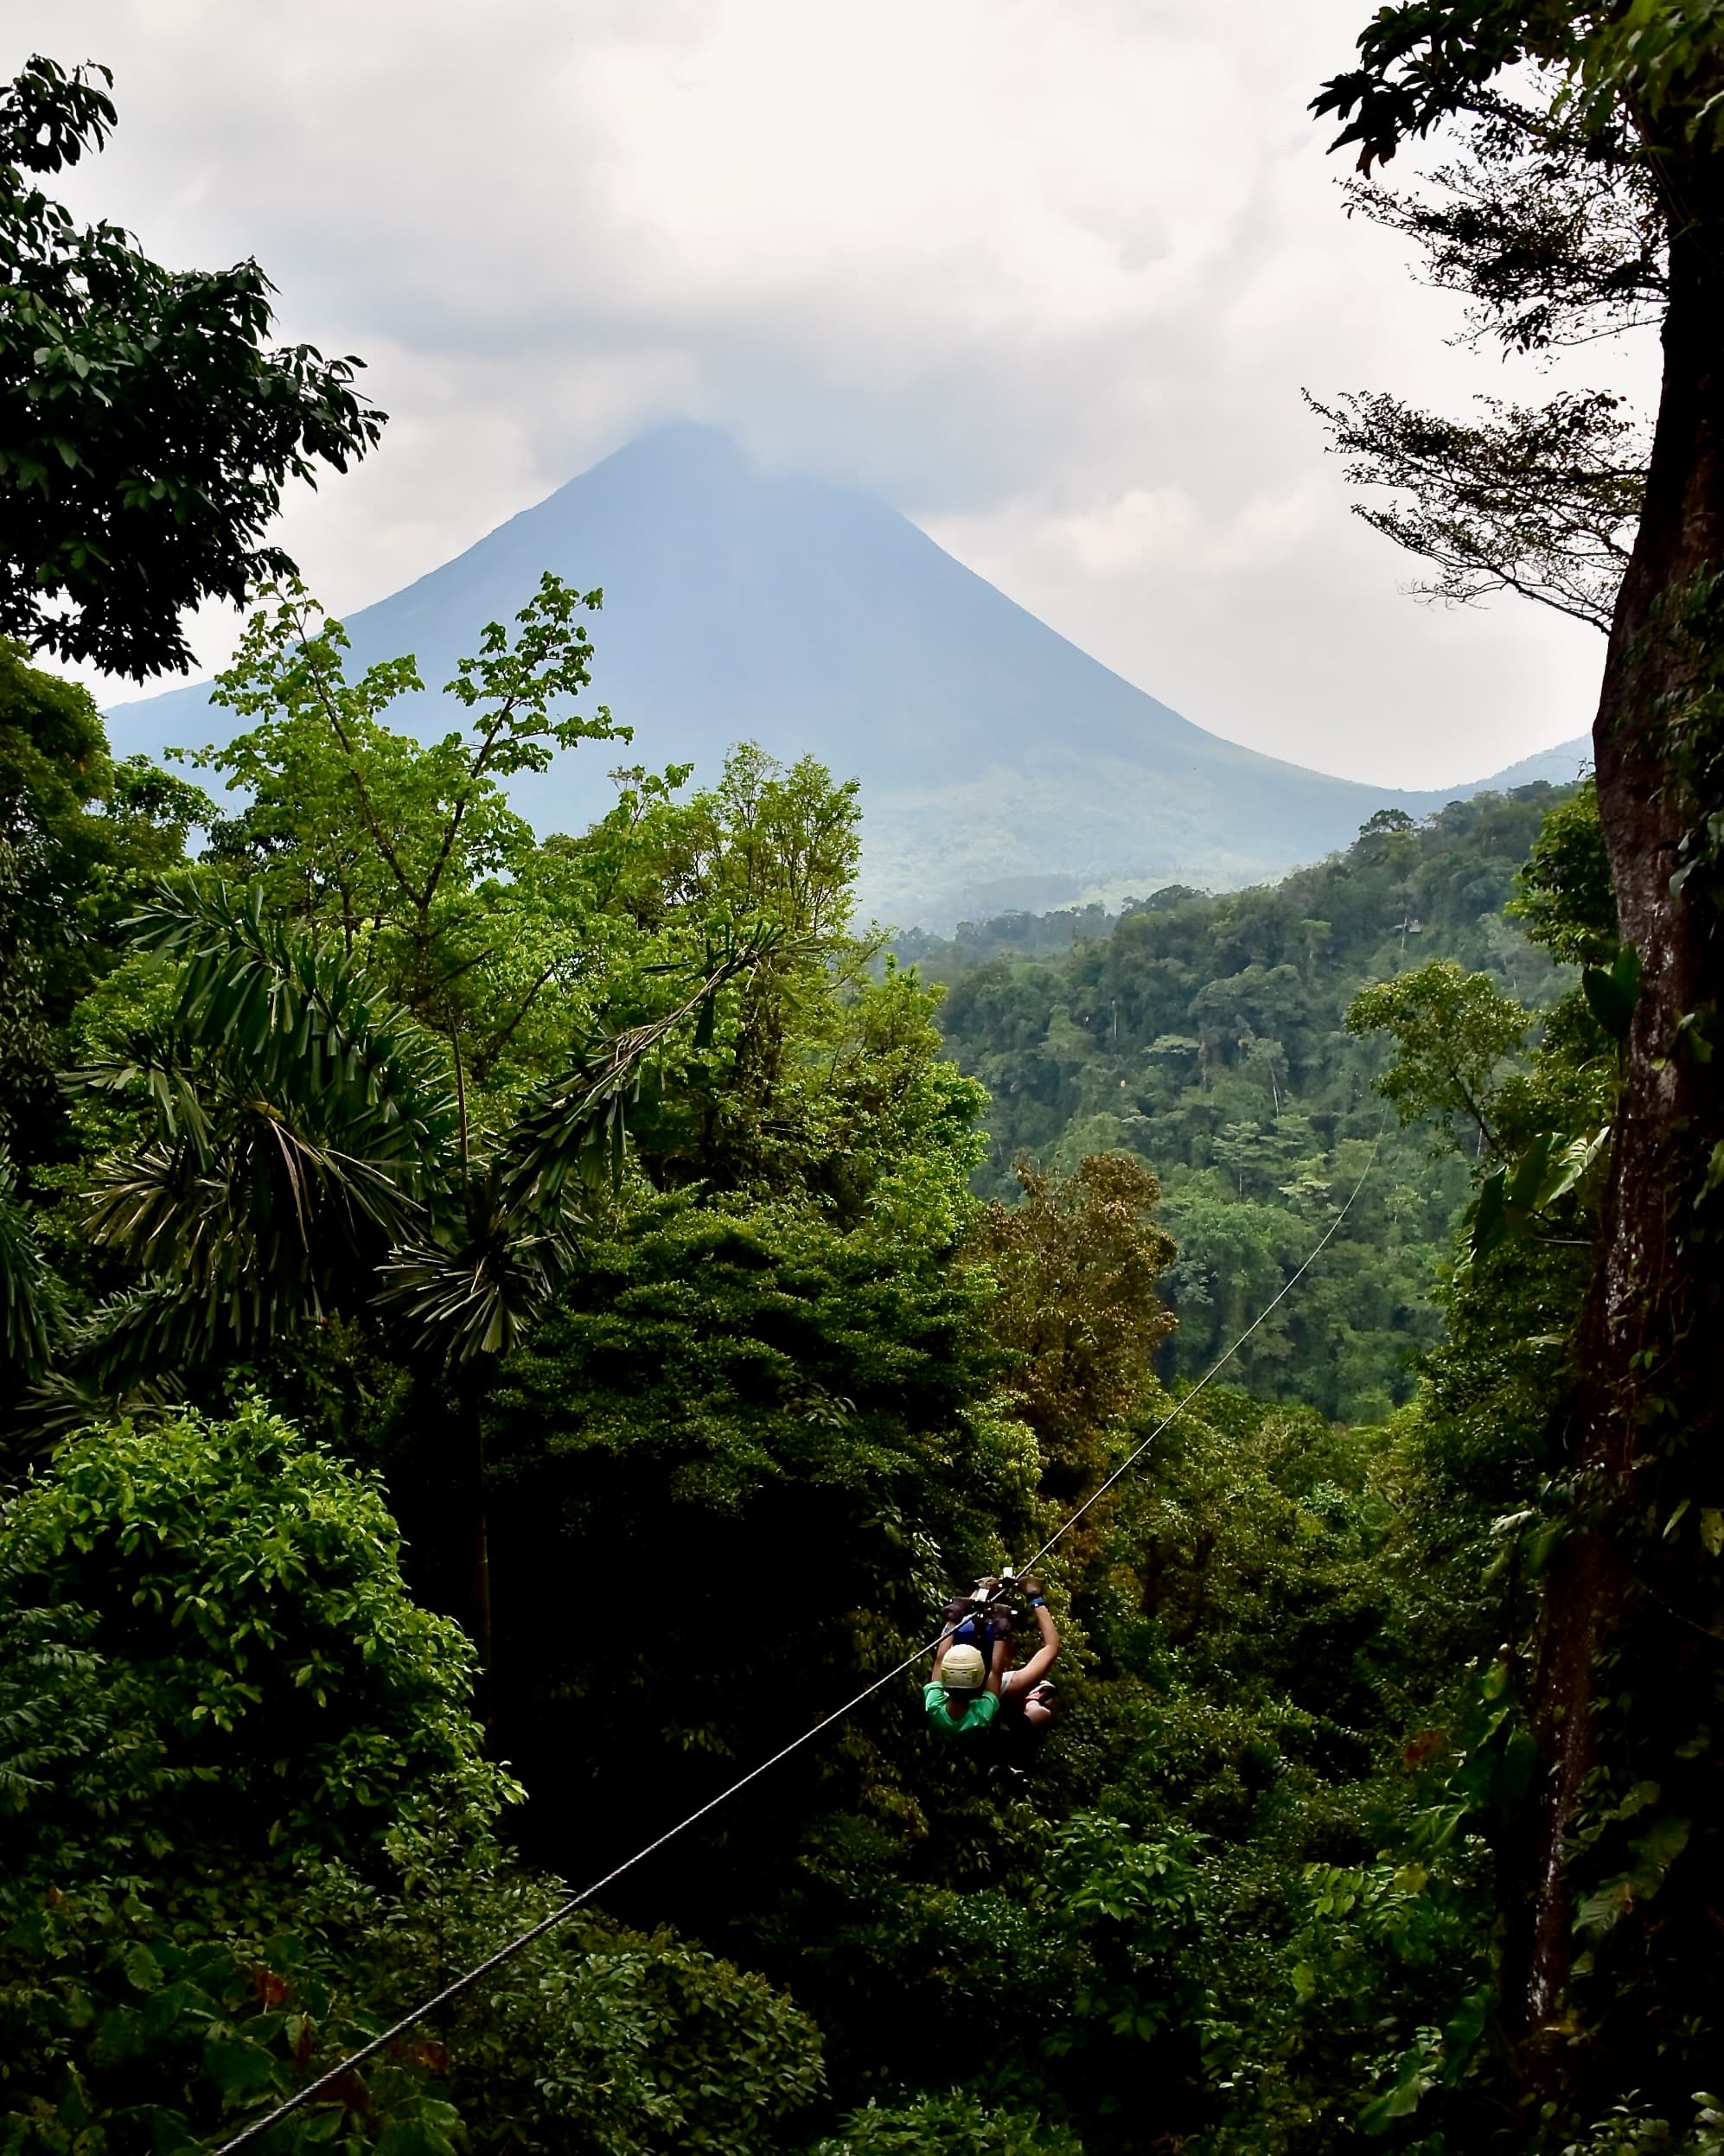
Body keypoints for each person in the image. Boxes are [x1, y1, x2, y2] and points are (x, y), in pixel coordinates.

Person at [924, 1623, 1010, 1745]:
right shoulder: (983, 1715)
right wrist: (1000, 1634)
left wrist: (952, 1621)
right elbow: (995, 1672)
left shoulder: (933, 1706)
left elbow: (939, 1659)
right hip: (978, 1744)